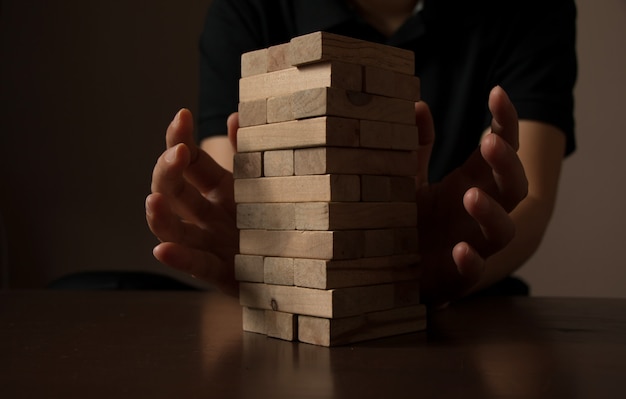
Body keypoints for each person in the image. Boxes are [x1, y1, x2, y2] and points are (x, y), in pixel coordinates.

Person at [146, 0, 577, 306]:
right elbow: (231, 183)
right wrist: (262, 257)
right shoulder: (248, 8)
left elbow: (529, 193)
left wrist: (419, 266)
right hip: (281, 310)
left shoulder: (532, 8)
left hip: (472, 306)